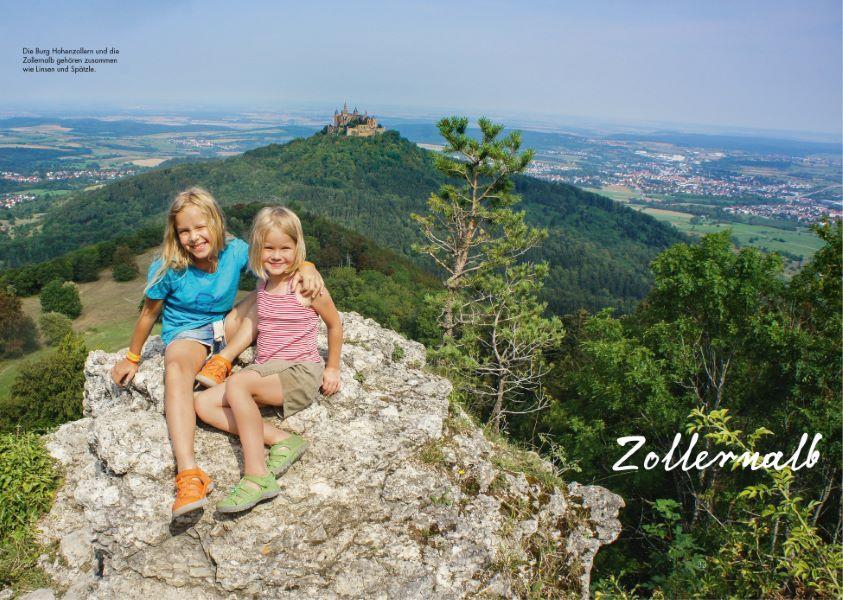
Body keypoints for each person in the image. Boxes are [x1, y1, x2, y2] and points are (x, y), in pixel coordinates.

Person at [110, 188, 324, 518]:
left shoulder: (234, 251)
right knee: (177, 372)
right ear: (175, 234)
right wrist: (133, 357)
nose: (194, 237)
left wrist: (307, 265)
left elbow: (275, 263)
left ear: (216, 222)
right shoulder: (169, 267)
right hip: (190, 333)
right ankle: (189, 474)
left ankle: (222, 362)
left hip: (228, 325)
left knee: (261, 291)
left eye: (201, 227)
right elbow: (149, 315)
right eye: (184, 231)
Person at [194, 205, 342, 514]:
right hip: (267, 370)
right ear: (257, 250)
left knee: (237, 386)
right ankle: (283, 440)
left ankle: (257, 476)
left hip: (298, 372)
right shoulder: (263, 284)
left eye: (285, 248)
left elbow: (335, 324)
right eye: (268, 248)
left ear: (297, 248)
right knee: (202, 404)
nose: (276, 256)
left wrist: (332, 367)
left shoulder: (305, 285)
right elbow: (258, 324)